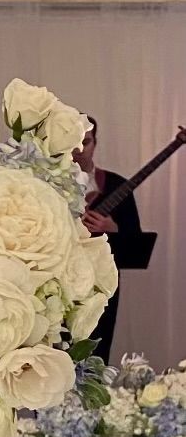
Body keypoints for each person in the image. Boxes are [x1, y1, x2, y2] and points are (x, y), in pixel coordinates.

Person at [72, 116, 141, 365]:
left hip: (103, 284)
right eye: (73, 143)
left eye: (86, 143)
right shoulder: (49, 186)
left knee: (98, 351)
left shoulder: (116, 185)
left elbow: (134, 242)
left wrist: (113, 228)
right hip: (61, 282)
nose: (79, 151)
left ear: (95, 143)